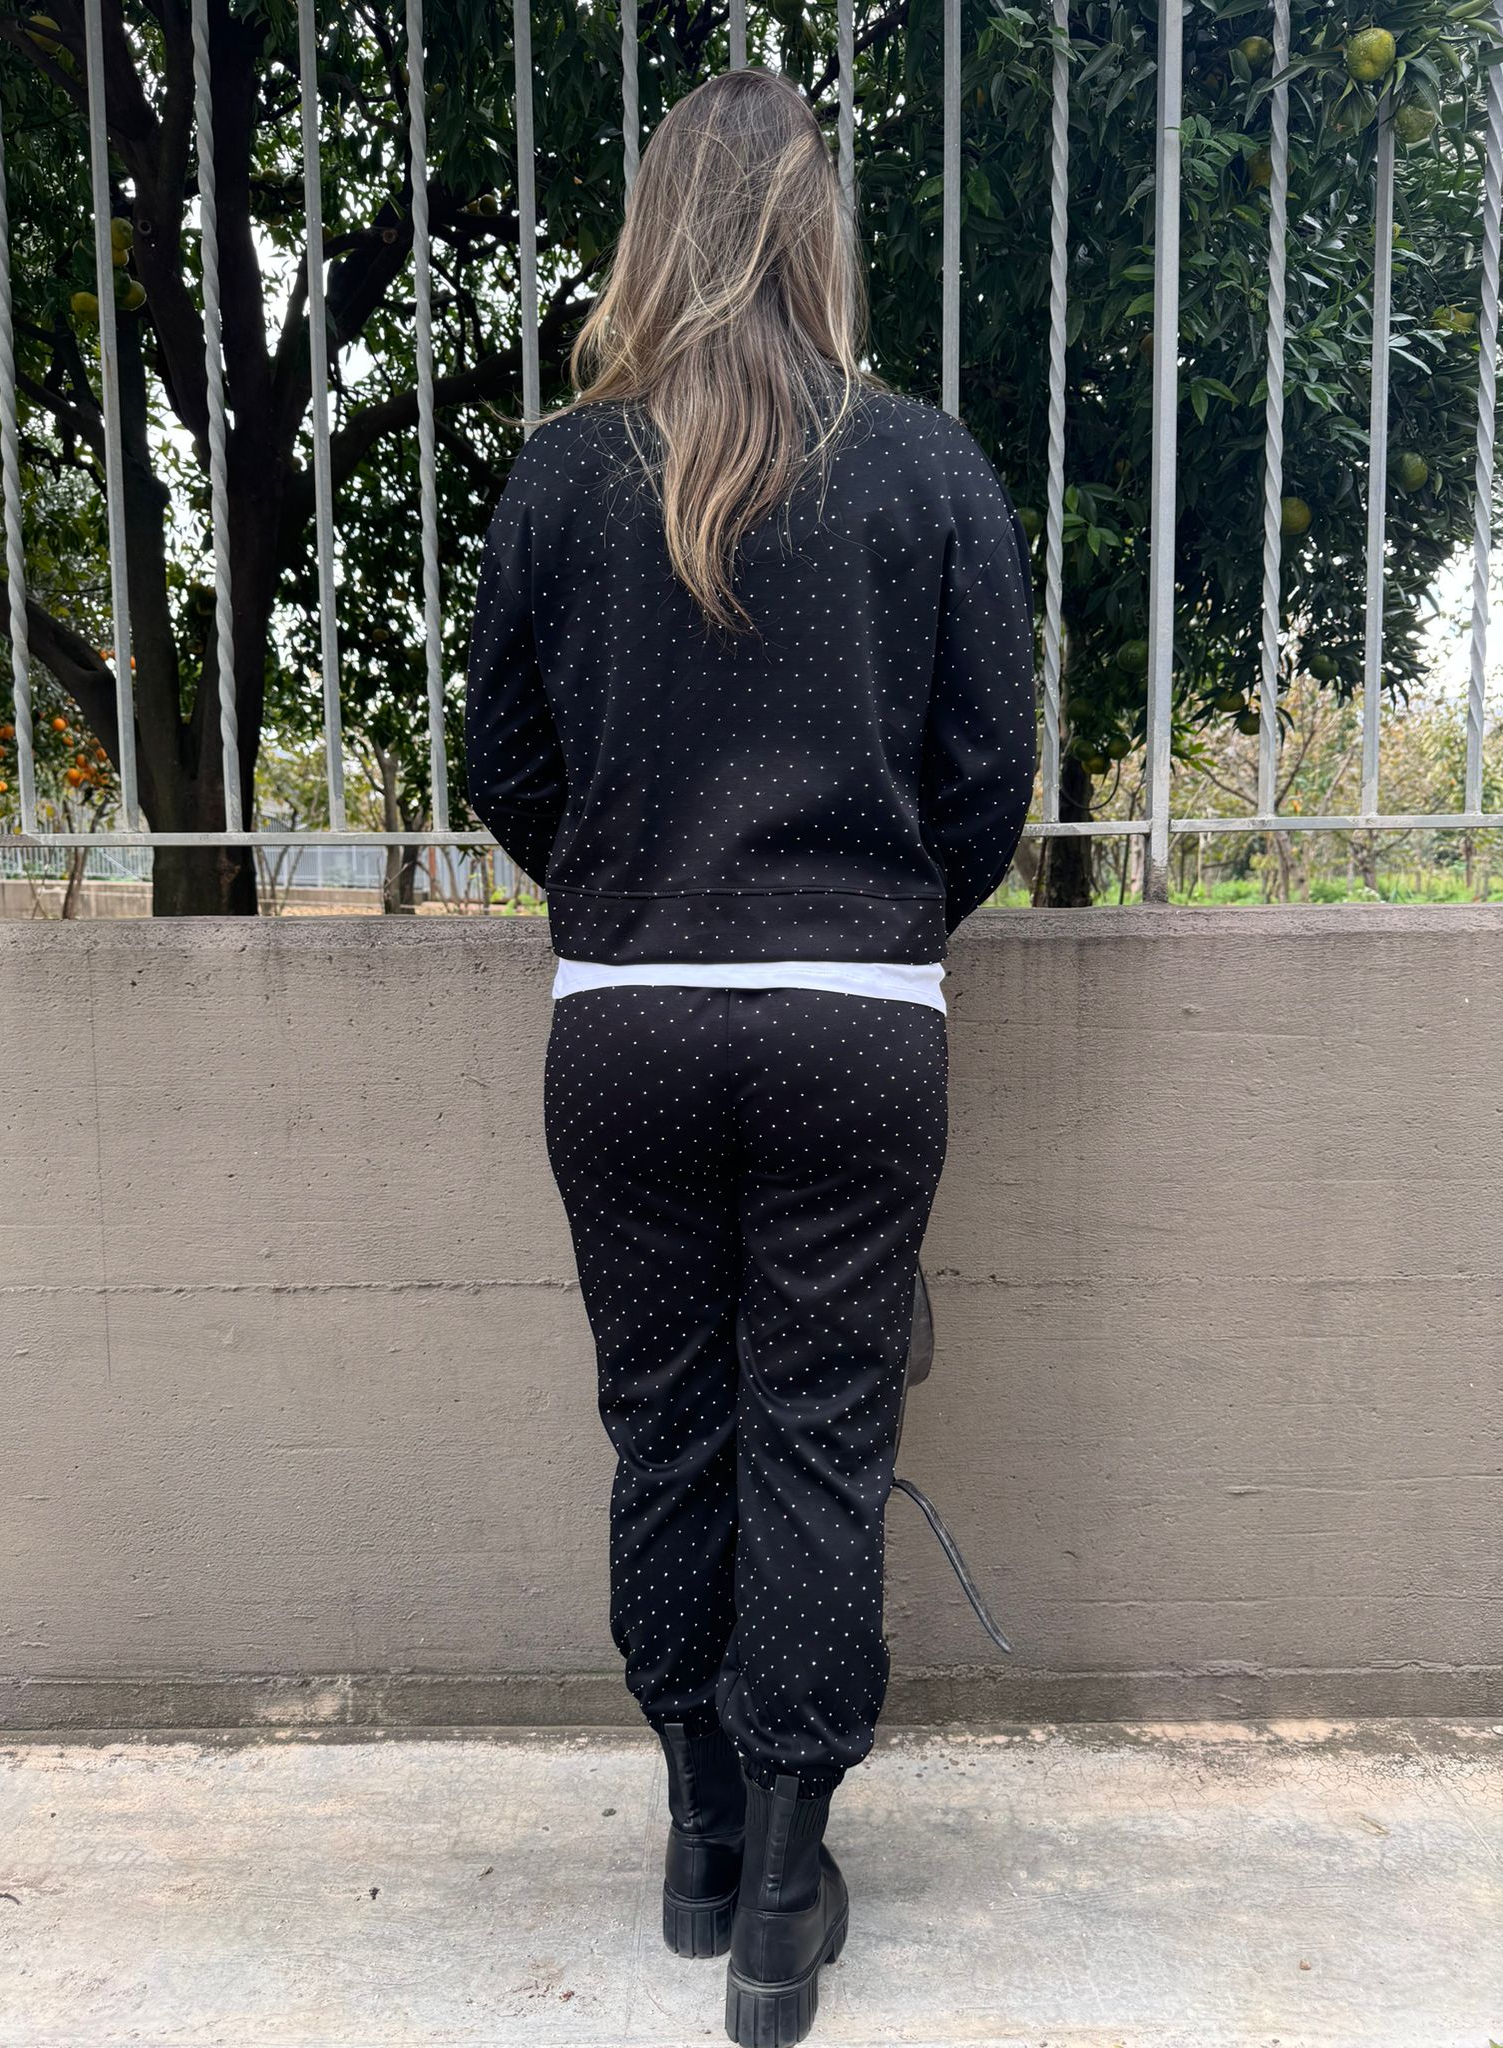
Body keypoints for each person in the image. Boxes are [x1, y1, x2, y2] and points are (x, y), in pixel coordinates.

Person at [464, 63, 1036, 2048]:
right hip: (855, 1029)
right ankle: (786, 1899)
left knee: (667, 1427)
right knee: (819, 1434)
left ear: (652, 234)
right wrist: (872, 915)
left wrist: (630, 886)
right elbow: (988, 782)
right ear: (819, 237)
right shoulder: (927, 473)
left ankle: (701, 1839)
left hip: (623, 1023)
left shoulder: (558, 483)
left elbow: (503, 763)